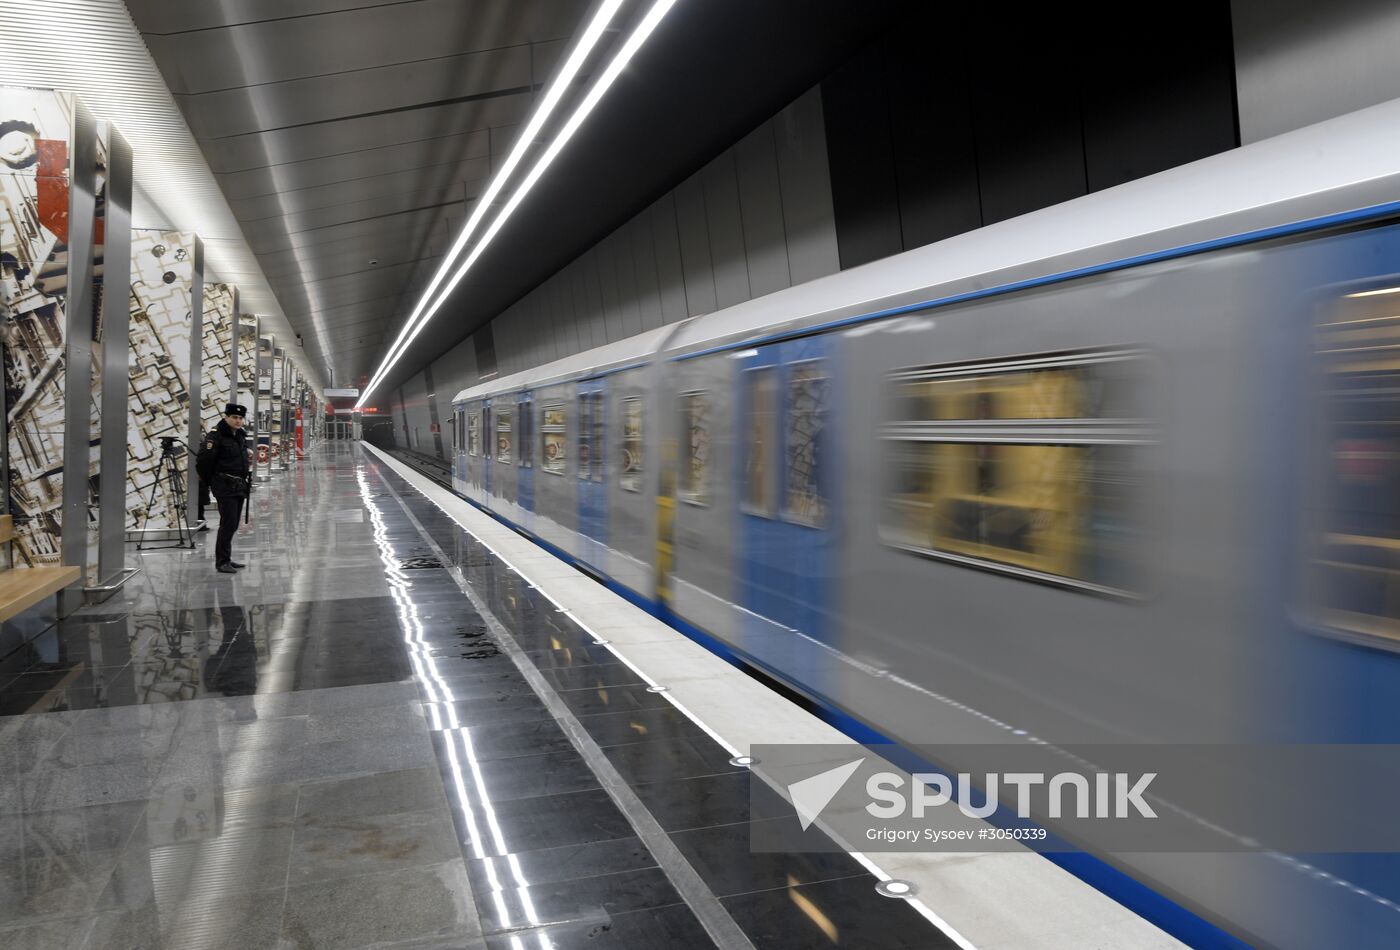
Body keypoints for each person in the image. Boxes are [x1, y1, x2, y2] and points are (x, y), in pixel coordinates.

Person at [196, 403, 251, 574]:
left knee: (233, 523)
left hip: (239, 485)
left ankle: (227, 558)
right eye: (234, 417)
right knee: (227, 523)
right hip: (224, 485)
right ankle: (222, 561)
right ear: (226, 417)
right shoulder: (216, 436)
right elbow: (204, 461)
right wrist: (210, 481)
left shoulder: (240, 435)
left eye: (241, 418)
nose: (238, 421)